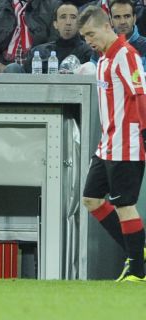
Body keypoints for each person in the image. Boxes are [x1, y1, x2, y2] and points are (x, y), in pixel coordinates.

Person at [79, 5, 146, 282]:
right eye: (84, 37)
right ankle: (138, 251)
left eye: (91, 34)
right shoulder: (104, 59)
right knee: (91, 200)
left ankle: (138, 271)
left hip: (126, 144)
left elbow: (140, 95)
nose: (88, 41)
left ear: (108, 27)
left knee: (125, 206)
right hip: (106, 144)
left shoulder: (126, 55)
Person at [0, 0, 61, 73]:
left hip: (37, 67)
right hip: (6, 67)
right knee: (12, 69)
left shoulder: (52, 6)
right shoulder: (0, 9)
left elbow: (54, 43)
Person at [23, 2, 92, 73]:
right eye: (63, 17)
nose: (68, 22)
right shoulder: (39, 52)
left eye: (73, 17)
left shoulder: (89, 53)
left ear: (79, 23)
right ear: (55, 24)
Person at [92, 0, 146, 69]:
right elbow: (91, 76)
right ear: (110, 21)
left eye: (127, 16)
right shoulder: (100, 47)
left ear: (134, 19)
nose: (122, 22)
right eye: (117, 17)